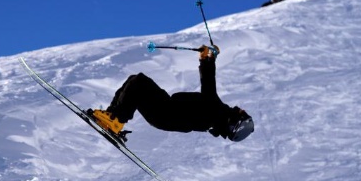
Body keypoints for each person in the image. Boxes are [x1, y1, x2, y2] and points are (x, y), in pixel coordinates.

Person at [90, 45, 254, 143]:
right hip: (166, 111)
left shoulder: (218, 113)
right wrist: (210, 58)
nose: (240, 108)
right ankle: (111, 117)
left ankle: (115, 121)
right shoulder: (218, 118)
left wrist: (207, 59)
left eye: (242, 112)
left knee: (139, 82)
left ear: (235, 122)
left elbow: (208, 84)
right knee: (135, 81)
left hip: (165, 112)